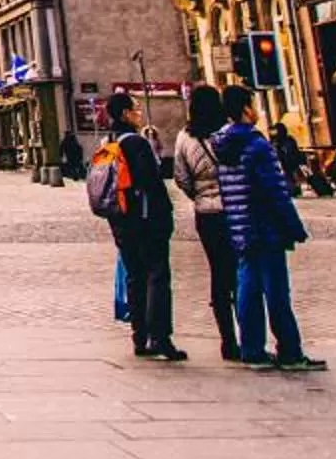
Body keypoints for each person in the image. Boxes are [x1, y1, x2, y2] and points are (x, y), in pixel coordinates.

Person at [215, 84, 326, 371]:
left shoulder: (222, 146)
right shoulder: (256, 145)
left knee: (248, 288)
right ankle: (290, 351)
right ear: (245, 109)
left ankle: (252, 349)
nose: (256, 111)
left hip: (240, 227)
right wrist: (293, 226)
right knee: (277, 291)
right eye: (253, 104)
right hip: (265, 226)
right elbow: (276, 191)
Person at [100, 92, 183, 360]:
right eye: (135, 109)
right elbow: (151, 182)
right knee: (157, 275)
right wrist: (165, 216)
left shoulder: (107, 142)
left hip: (120, 220)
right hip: (145, 219)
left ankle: (139, 336)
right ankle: (161, 337)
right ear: (125, 114)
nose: (139, 113)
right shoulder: (136, 143)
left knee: (134, 276)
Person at [172, 84, 241, 364]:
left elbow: (181, 176)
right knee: (242, 274)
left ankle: (227, 340)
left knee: (219, 275)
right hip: (235, 210)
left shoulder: (184, 138)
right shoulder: (229, 133)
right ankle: (249, 335)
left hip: (207, 215)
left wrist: (200, 195)